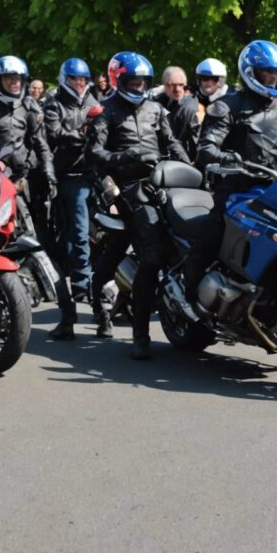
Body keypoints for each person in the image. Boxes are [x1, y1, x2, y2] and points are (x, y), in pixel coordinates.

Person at [183, 40, 277, 315]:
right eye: (266, 72)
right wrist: (230, 159)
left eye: (275, 73)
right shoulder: (227, 106)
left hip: (276, 185)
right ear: (250, 71)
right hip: (238, 185)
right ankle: (190, 295)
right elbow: (207, 148)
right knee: (212, 233)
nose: (272, 78)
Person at [87, 52, 189, 359]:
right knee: (151, 256)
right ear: (119, 79)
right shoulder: (105, 112)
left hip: (163, 181)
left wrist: (193, 171)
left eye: (143, 81)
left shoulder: (156, 109)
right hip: (129, 189)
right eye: (133, 81)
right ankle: (139, 333)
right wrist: (128, 157)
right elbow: (94, 155)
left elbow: (172, 144)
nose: (139, 85)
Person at [0, 56, 60, 307]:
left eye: (19, 78)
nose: (15, 83)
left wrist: (49, 174)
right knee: (5, 235)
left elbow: (42, 146)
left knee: (37, 237)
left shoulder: (30, 107)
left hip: (26, 181)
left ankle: (52, 295)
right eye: (10, 78)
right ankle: (7, 286)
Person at [44, 58, 104, 340]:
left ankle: (92, 289)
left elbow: (106, 128)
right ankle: (80, 286)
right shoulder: (55, 103)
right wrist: (81, 133)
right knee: (72, 234)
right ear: (64, 79)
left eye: (83, 80)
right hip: (68, 176)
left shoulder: (95, 100)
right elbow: (54, 134)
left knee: (105, 233)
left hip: (94, 173)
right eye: (74, 80)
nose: (79, 84)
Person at [154, 66, 201, 161]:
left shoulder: (191, 108)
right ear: (165, 86)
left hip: (184, 162)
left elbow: (196, 143)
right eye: (173, 85)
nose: (177, 89)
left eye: (181, 85)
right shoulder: (157, 102)